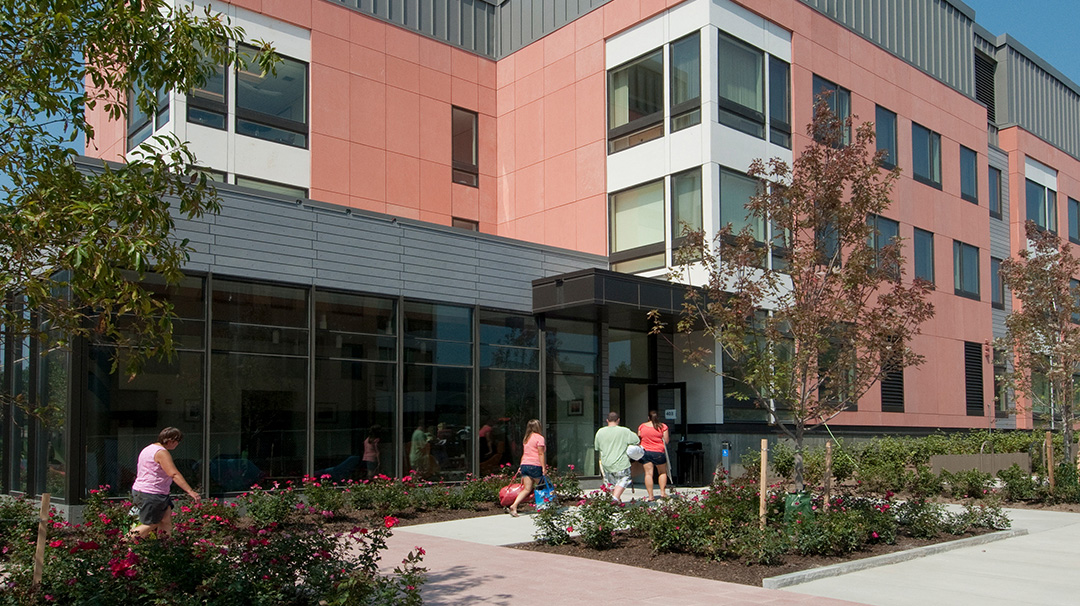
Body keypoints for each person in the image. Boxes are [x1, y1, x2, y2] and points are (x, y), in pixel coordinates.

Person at [131, 427, 200, 538]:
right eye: (177, 441)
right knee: (151, 523)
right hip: (152, 493)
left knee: (165, 520)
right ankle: (122, 544)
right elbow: (173, 474)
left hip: (145, 491)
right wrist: (190, 491)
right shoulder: (162, 453)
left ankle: (165, 547)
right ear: (171, 440)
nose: (177, 444)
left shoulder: (148, 449)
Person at [593, 411, 640, 501]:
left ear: (607, 420)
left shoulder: (600, 432)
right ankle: (615, 499)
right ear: (618, 420)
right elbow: (636, 440)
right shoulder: (624, 431)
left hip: (606, 463)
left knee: (611, 483)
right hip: (621, 462)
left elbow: (597, 447)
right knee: (624, 478)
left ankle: (616, 500)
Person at [507, 419, 546, 517]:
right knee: (542, 487)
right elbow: (540, 453)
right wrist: (543, 467)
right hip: (535, 465)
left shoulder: (526, 439)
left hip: (525, 464)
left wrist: (521, 466)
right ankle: (542, 507)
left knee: (527, 489)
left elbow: (524, 454)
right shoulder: (539, 438)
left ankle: (514, 505)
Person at [637, 410, 670, 501]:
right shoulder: (663, 426)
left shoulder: (642, 426)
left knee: (648, 474)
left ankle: (651, 495)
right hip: (659, 452)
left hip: (646, 452)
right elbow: (666, 441)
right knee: (662, 472)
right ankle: (662, 493)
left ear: (648, 417)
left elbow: (638, 438)